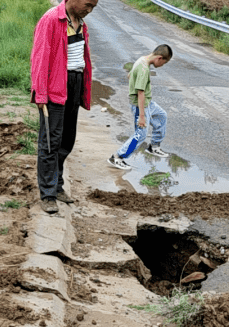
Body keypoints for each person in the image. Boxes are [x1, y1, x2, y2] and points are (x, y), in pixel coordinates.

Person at [30, 0, 98, 214]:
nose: (90, 10)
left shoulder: (81, 23)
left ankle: (57, 185)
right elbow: (40, 59)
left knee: (67, 139)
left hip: (74, 83)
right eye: (88, 5)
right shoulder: (51, 19)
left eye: (94, 7)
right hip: (55, 85)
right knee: (50, 141)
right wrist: (40, 93)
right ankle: (48, 194)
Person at [108, 44, 172, 170]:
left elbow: (130, 75)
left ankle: (154, 146)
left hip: (148, 102)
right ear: (159, 58)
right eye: (163, 63)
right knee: (141, 135)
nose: (162, 66)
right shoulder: (144, 69)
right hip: (140, 104)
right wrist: (141, 116)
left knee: (161, 115)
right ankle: (117, 157)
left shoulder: (143, 59)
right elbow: (140, 93)